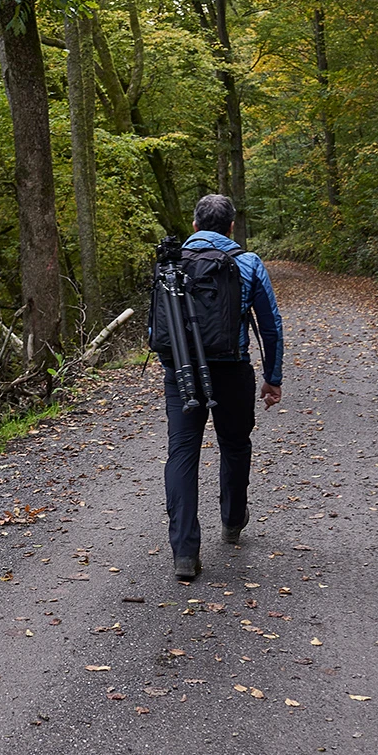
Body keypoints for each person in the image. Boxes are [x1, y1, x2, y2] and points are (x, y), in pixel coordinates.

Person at [152, 193, 283, 582]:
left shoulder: (170, 264)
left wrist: (173, 368)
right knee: (236, 443)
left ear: (193, 226)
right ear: (231, 227)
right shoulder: (247, 263)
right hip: (231, 369)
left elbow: (156, 328)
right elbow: (271, 325)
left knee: (182, 452)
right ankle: (231, 522)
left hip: (182, 372)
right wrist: (272, 379)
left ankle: (184, 554)